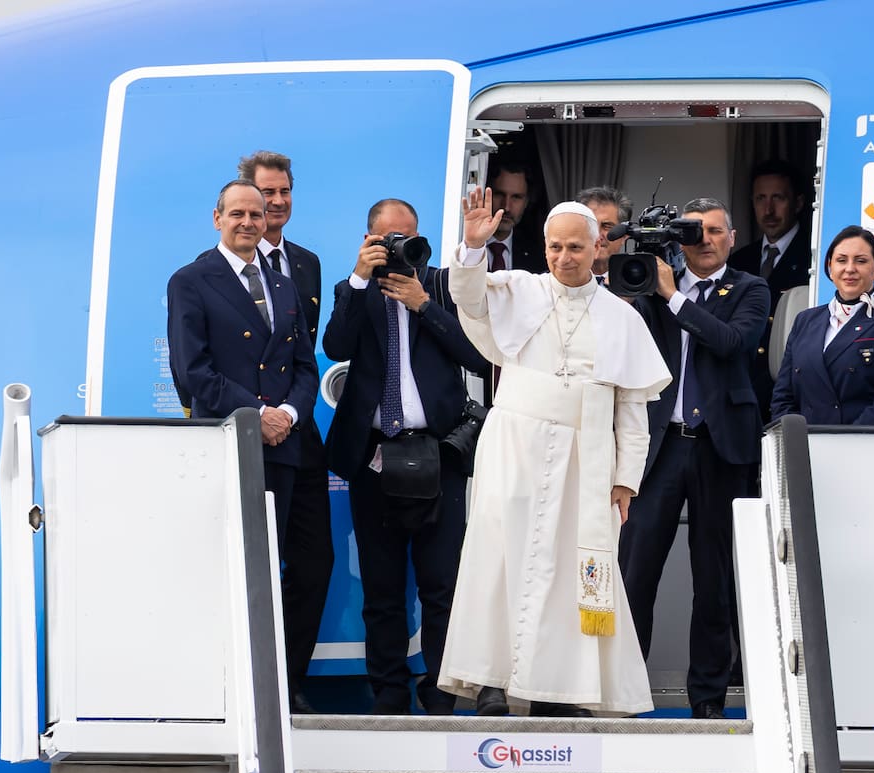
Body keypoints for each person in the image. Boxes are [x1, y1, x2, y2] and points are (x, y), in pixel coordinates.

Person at [438, 191, 670, 717]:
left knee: (577, 569)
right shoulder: (518, 289)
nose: (564, 258)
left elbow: (633, 410)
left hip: (585, 460)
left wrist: (626, 480)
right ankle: (492, 683)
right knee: (500, 559)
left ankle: (565, 687)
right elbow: (469, 298)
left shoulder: (622, 317)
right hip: (513, 447)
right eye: (555, 247)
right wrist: (472, 249)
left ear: (598, 247)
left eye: (575, 248)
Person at [321, 199, 486, 715]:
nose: (399, 248)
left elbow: (476, 353)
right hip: (375, 457)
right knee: (382, 589)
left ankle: (440, 697)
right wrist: (358, 279)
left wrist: (424, 305)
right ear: (369, 238)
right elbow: (335, 344)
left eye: (409, 237)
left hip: (439, 454)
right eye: (388, 238)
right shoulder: (354, 290)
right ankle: (389, 698)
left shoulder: (439, 285)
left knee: (442, 587)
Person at [618, 198, 769, 720]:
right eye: (692, 232)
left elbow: (731, 342)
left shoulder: (750, 288)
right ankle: (625, 691)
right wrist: (651, 286)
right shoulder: (648, 286)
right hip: (659, 448)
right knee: (635, 574)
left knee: (714, 579)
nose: (703, 240)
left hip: (721, 449)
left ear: (731, 236)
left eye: (713, 231)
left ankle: (707, 700)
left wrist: (673, 297)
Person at [167, 179, 319, 543]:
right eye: (237, 214)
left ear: (266, 222)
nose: (247, 222)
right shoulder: (190, 281)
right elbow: (193, 371)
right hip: (226, 442)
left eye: (255, 214)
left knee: (268, 558)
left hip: (280, 447)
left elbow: (305, 366)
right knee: (227, 561)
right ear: (217, 219)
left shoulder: (283, 286)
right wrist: (259, 415)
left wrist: (289, 415)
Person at [235, 151, 333, 715]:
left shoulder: (308, 264)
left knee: (313, 562)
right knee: (253, 566)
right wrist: (259, 416)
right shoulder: (211, 272)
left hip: (300, 435)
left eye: (283, 193)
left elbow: (305, 357)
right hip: (247, 437)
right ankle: (252, 685)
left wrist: (292, 415)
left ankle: (289, 680)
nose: (274, 205)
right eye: (264, 194)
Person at [771, 225, 874, 425]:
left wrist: (846, 440)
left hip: (867, 447)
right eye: (841, 260)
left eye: (860, 261)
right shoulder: (805, 321)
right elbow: (783, 396)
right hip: (807, 447)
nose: (849, 268)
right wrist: (794, 438)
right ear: (830, 267)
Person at [726, 160, 813, 422]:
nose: (769, 209)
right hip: (742, 391)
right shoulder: (739, 260)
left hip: (789, 391)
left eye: (778, 198)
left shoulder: (815, 255)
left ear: (797, 203)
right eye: (760, 198)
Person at [486, 162, 545, 273]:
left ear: (527, 202)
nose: (506, 207)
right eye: (499, 194)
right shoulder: (464, 246)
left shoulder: (537, 255)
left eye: (516, 197)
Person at [576, 185, 633, 282]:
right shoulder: (553, 283)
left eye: (606, 226)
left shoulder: (639, 284)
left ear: (624, 236)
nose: (597, 235)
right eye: (590, 225)